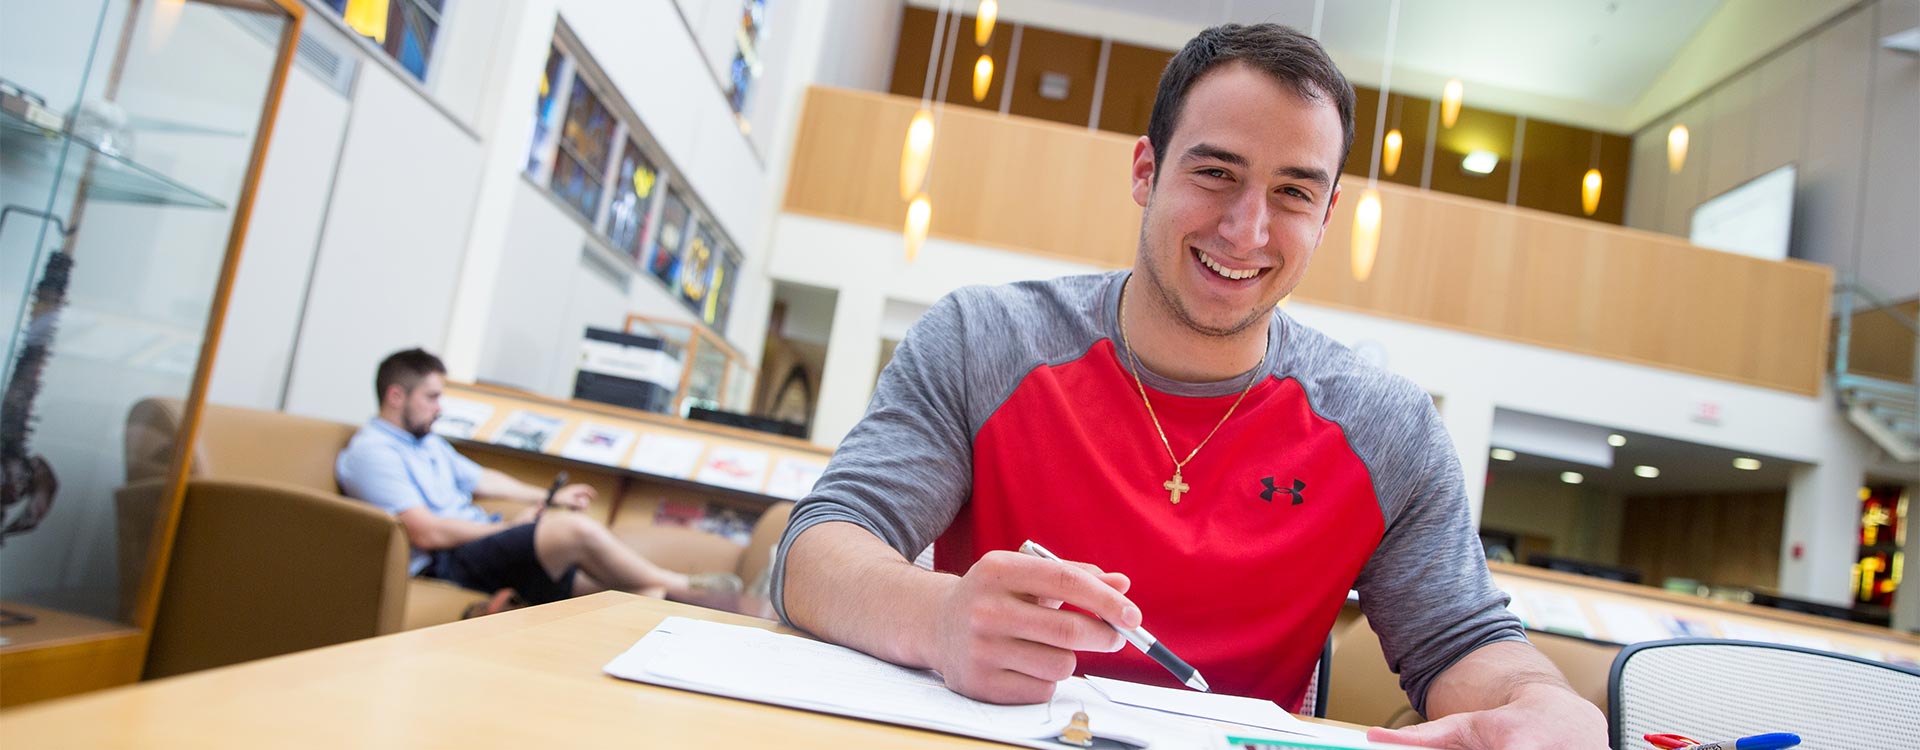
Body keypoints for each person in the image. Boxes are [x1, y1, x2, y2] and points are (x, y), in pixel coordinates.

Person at [772, 23, 1606, 750]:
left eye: (1293, 192)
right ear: (1146, 170)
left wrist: (1541, 704)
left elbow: (1459, 644)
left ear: (1328, 215)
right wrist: (939, 620)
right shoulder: (982, 341)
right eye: (1215, 173)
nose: (1247, 229)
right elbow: (817, 548)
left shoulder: (1386, 427)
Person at [338, 348, 737, 611]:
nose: (440, 408)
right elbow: (428, 533)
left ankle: (679, 602)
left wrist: (554, 496)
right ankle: (688, 584)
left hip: (478, 542)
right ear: (395, 396)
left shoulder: (425, 443)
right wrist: (514, 528)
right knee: (574, 531)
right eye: (432, 397)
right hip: (443, 564)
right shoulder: (373, 451)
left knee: (631, 592)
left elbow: (485, 480)